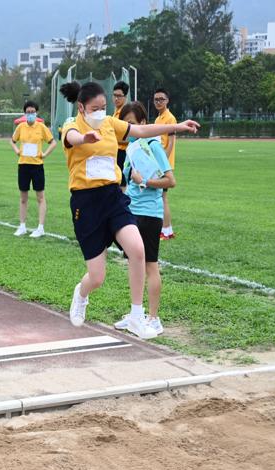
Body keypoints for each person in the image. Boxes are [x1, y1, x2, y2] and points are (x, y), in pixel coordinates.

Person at [59, 81, 199, 338]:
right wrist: (85, 138)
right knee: (97, 277)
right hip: (86, 203)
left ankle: (137, 316)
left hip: (113, 197)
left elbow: (142, 130)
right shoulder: (72, 125)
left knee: (137, 249)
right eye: (94, 108)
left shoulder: (110, 124)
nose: (100, 112)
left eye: (103, 107)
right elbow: (71, 138)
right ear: (81, 107)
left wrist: (177, 126)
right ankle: (81, 294)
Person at [115, 101, 175, 335]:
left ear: (142, 123)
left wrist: (145, 182)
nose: (127, 128)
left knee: (150, 265)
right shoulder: (131, 147)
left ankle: (154, 318)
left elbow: (170, 181)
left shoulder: (152, 145)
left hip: (150, 214)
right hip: (132, 211)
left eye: (130, 123)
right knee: (134, 264)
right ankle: (136, 315)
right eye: (124, 124)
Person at [9, 100, 57, 238]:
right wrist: (17, 150)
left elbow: (53, 142)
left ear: (36, 113)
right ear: (25, 113)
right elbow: (12, 141)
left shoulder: (41, 127)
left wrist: (45, 154)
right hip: (23, 165)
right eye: (28, 112)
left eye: (33, 112)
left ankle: (40, 228)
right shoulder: (21, 127)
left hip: (37, 166)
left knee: (40, 197)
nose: (30, 114)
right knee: (23, 197)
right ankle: (22, 226)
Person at [153, 88, 176, 240]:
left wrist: (163, 163)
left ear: (167, 101)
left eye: (161, 99)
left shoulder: (170, 118)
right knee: (160, 196)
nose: (158, 102)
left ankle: (166, 231)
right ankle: (167, 229)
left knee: (163, 197)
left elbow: (171, 143)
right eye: (156, 99)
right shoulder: (158, 119)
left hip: (164, 164)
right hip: (159, 162)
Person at [112, 81, 130, 192]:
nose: (116, 98)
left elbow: (129, 137)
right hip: (116, 151)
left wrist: (113, 140)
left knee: (122, 183)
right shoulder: (116, 112)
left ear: (125, 97)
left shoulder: (126, 113)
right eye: (114, 95)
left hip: (123, 152)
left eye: (119, 96)